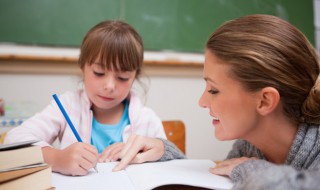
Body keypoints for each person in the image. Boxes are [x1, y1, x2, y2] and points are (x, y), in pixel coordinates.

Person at [112, 14, 320, 189]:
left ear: (265, 101)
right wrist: (166, 153)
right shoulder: (250, 146)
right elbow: (215, 177)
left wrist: (251, 170)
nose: (202, 102)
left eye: (214, 90)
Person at [4, 20, 167, 176]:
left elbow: (174, 164)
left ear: (134, 77)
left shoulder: (146, 119)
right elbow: (13, 141)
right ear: (82, 67)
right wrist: (57, 159)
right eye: (99, 73)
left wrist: (161, 149)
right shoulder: (67, 106)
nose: (110, 86)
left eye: (123, 77)